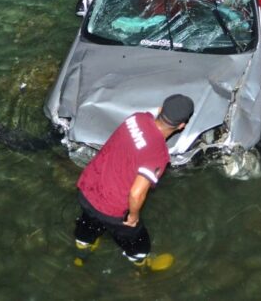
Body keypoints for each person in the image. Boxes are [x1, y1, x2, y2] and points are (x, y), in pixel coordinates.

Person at [73, 94, 194, 269]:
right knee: (137, 240)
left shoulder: (136, 119)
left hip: (87, 187)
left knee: (88, 221)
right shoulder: (158, 154)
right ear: (182, 126)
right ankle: (141, 262)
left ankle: (82, 248)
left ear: (160, 110)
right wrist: (133, 216)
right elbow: (136, 193)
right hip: (112, 209)